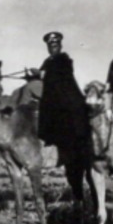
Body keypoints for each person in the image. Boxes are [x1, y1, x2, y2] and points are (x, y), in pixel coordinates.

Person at [34, 31, 87, 163]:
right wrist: (33, 75)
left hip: (66, 97)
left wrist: (41, 75)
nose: (53, 47)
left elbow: (60, 76)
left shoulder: (64, 59)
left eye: (55, 45)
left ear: (60, 45)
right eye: (50, 45)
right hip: (51, 96)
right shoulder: (47, 61)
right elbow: (43, 75)